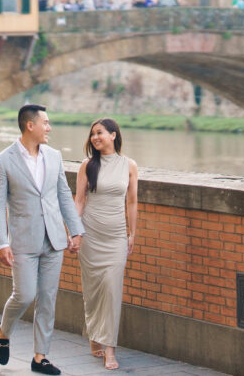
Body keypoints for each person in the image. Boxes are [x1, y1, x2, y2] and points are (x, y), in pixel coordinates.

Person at [0, 104, 85, 375]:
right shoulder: (3, 161)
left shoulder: (54, 156)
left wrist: (75, 230)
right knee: (24, 295)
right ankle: (3, 331)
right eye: (45, 123)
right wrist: (1, 241)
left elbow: (63, 195)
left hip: (54, 238)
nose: (49, 128)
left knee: (47, 298)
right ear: (30, 125)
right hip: (22, 241)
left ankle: (40, 356)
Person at [74, 118, 138, 371]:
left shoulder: (129, 165)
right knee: (93, 290)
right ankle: (94, 335)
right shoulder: (87, 165)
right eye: (92, 134)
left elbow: (132, 202)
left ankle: (109, 348)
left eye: (99, 133)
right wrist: (75, 231)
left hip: (115, 237)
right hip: (90, 234)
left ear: (113, 135)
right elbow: (79, 200)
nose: (95, 138)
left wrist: (132, 233)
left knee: (112, 288)